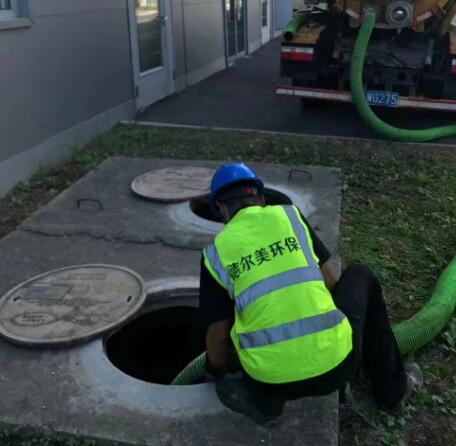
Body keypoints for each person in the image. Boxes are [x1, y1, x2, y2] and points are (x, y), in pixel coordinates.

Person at [199, 162, 422, 426]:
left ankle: (265, 408)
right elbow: (329, 278)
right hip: (336, 368)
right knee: (361, 274)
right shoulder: (289, 216)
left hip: (268, 384)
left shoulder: (215, 253)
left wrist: (214, 373)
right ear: (259, 197)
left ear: (221, 209)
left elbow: (219, 333)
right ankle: (393, 393)